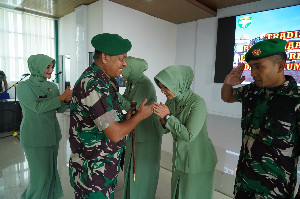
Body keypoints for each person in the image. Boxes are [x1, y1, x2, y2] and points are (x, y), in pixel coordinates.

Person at [69, 33, 154, 199]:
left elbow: (109, 119)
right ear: (105, 57)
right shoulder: (93, 85)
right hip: (93, 173)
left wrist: (128, 117)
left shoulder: (106, 82)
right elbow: (114, 133)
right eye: (121, 59)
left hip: (104, 168)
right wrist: (139, 117)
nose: (125, 63)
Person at [221, 38, 300, 198]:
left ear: (280, 66)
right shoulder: (253, 91)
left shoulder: (295, 100)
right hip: (244, 184)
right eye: (251, 67)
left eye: (259, 67)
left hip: (274, 192)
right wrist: (228, 83)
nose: (252, 73)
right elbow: (227, 97)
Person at [153, 65, 218, 199]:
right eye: (161, 87)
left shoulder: (197, 103)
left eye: (166, 87)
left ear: (178, 84)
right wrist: (161, 118)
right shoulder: (172, 101)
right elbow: (165, 130)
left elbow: (189, 135)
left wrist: (167, 117)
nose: (163, 91)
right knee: (177, 194)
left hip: (197, 160)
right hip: (180, 159)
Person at [17, 54, 73, 199]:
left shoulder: (52, 87)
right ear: (37, 67)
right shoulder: (24, 86)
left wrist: (67, 100)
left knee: (50, 175)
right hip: (34, 137)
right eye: (47, 67)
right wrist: (61, 97)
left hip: (52, 136)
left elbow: (59, 109)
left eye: (52, 67)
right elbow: (37, 108)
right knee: (39, 177)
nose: (50, 70)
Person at [117, 56, 162, 199]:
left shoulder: (144, 84)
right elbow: (125, 104)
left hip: (147, 134)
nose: (121, 72)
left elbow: (132, 108)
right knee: (131, 168)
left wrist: (114, 93)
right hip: (134, 131)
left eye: (124, 69)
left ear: (131, 69)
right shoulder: (131, 82)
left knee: (142, 172)